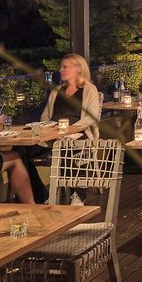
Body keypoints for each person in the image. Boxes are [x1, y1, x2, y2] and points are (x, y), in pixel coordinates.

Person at [37, 53, 101, 204]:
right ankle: (39, 195)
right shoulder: (57, 90)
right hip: (53, 134)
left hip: (79, 133)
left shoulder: (89, 89)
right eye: (61, 67)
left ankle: (78, 194)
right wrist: (48, 129)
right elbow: (45, 116)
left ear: (78, 69)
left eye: (65, 67)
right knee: (22, 151)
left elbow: (92, 117)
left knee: (63, 148)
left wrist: (72, 129)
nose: (61, 70)